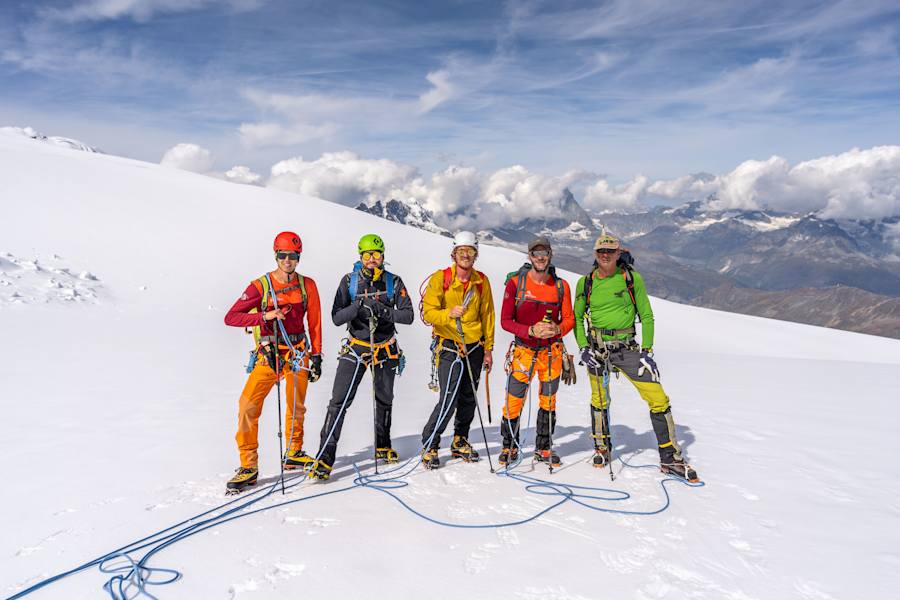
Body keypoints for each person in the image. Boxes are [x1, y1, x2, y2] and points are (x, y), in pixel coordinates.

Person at [574, 234, 699, 482]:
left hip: (627, 349)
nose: (605, 255)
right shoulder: (585, 283)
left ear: (619, 253)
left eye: (610, 251)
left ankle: (669, 456)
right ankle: (601, 447)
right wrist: (583, 346)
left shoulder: (630, 279)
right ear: (595, 253)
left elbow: (647, 315)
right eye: (601, 251)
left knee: (658, 398)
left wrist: (647, 350)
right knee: (599, 398)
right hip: (597, 348)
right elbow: (577, 318)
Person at [223, 231, 323, 492]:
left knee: (296, 405)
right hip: (269, 353)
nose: (287, 261)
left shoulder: (307, 285)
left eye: (292, 256)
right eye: (282, 255)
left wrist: (317, 355)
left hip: (298, 351)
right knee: (248, 405)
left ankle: (294, 451)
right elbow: (231, 317)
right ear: (275, 255)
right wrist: (264, 317)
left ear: (299, 257)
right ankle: (248, 465)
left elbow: (314, 322)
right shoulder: (261, 286)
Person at [310, 234, 414, 480]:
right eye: (367, 255)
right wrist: (357, 307)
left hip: (385, 349)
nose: (371, 260)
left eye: (376, 255)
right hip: (356, 348)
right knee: (339, 401)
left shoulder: (394, 282)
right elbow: (337, 318)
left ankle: (383, 445)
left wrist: (382, 310)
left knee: (384, 399)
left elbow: (408, 315)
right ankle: (325, 456)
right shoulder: (349, 282)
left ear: (383, 257)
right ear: (360, 256)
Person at [419, 231, 495, 469]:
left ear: (475, 255)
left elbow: (488, 315)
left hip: (475, 346)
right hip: (449, 345)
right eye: (461, 251)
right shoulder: (440, 279)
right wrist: (448, 314)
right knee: (448, 398)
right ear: (454, 254)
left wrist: (489, 349)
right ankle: (430, 443)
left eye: (470, 252)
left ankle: (460, 440)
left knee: (468, 397)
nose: (466, 256)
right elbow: (428, 313)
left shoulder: (481, 281)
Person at [499, 236, 575, 467]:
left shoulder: (561, 286)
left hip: (551, 353)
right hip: (524, 351)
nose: (540, 258)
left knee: (548, 400)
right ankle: (509, 445)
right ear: (529, 256)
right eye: (535, 254)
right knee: (514, 400)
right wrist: (530, 330)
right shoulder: (515, 284)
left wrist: (557, 329)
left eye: (544, 253)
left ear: (550, 255)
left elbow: (569, 319)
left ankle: (543, 447)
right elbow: (505, 320)